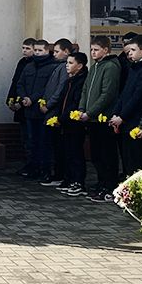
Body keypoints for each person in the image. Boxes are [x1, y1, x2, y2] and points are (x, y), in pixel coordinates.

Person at [77, 36, 121, 202]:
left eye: (96, 49)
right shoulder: (95, 67)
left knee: (107, 155)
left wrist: (91, 112)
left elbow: (107, 94)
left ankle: (109, 185)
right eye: (91, 49)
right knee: (96, 154)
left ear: (106, 50)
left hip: (103, 118)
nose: (93, 52)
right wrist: (82, 109)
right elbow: (85, 90)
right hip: (91, 118)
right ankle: (101, 181)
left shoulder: (110, 67)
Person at [110, 34, 142, 176]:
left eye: (133, 50)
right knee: (127, 158)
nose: (129, 53)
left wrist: (122, 116)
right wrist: (116, 113)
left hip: (135, 120)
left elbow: (138, 97)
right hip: (125, 120)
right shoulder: (134, 67)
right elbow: (125, 93)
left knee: (136, 160)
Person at [15, 39, 60, 180]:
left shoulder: (53, 67)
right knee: (31, 141)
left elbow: (48, 88)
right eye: (36, 50)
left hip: (42, 111)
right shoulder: (29, 66)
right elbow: (20, 83)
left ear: (47, 51)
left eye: (41, 51)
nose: (38, 53)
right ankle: (32, 167)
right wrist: (23, 97)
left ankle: (45, 169)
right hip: (29, 111)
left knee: (44, 142)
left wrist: (32, 99)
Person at [56, 52, 90, 196]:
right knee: (67, 151)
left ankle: (78, 181)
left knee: (76, 152)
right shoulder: (69, 80)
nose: (67, 65)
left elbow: (75, 102)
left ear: (80, 66)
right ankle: (69, 178)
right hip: (65, 122)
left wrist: (64, 117)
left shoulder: (81, 80)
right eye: (67, 62)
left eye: (70, 63)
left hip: (75, 122)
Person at [39, 39, 73, 185]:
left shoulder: (65, 68)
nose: (55, 54)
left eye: (58, 51)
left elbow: (60, 90)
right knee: (50, 144)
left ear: (66, 52)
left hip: (55, 112)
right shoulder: (58, 66)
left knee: (57, 146)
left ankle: (59, 174)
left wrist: (49, 104)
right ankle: (55, 173)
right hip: (48, 110)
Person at [7, 38, 35, 165]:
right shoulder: (22, 62)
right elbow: (16, 82)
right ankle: (27, 163)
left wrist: (22, 101)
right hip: (19, 104)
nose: (24, 51)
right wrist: (10, 99)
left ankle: (32, 164)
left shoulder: (35, 64)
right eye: (23, 48)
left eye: (28, 48)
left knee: (31, 137)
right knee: (24, 137)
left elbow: (32, 87)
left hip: (29, 105)